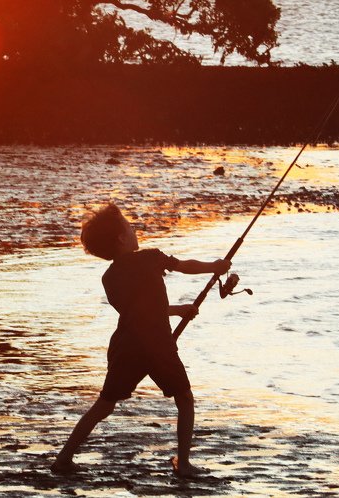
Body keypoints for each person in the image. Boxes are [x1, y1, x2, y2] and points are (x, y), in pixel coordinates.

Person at [51, 203, 230, 478]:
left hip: (126, 347)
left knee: (104, 404)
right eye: (129, 226)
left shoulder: (109, 277)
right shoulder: (151, 257)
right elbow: (184, 266)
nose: (134, 230)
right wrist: (215, 266)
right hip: (158, 346)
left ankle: (64, 458)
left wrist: (178, 310)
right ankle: (182, 464)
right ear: (122, 238)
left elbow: (136, 311)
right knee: (184, 398)